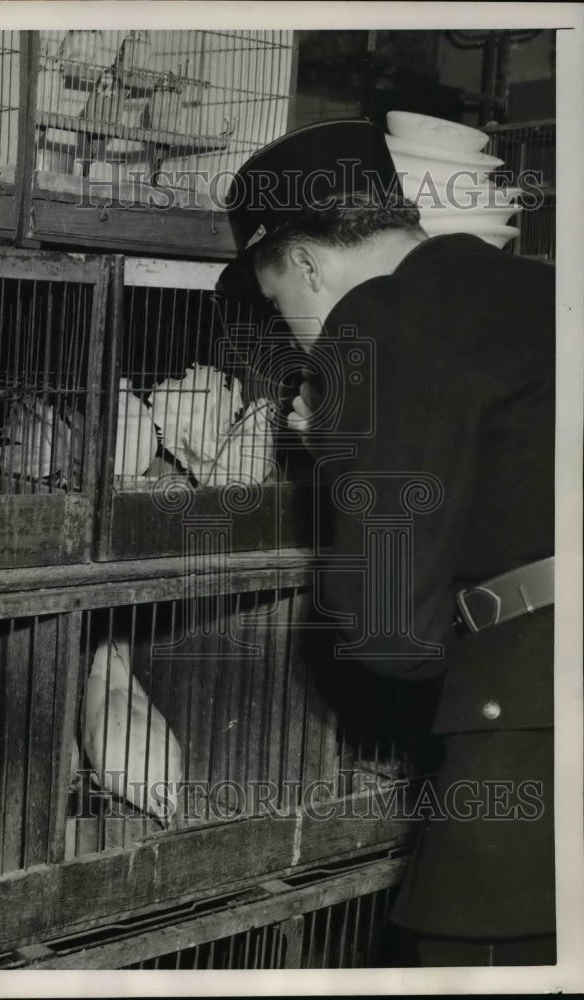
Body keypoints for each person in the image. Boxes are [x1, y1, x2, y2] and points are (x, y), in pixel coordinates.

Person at [217, 120, 555, 967]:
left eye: (276, 306)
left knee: (461, 950)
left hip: (536, 715)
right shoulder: (532, 289)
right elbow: (511, 481)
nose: (294, 332)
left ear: (304, 262)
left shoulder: (373, 319)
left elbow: (392, 631)